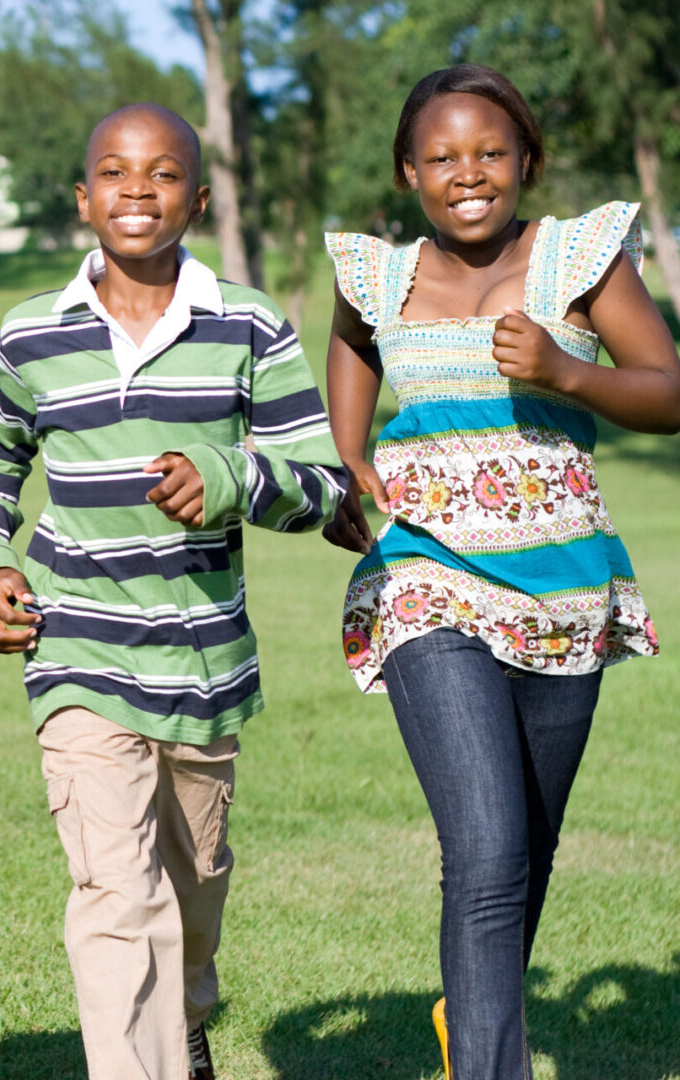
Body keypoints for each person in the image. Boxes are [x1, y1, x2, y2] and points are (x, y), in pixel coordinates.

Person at [0, 104, 347, 1080]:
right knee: (118, 901)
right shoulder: (32, 336)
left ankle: (187, 1019)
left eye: (162, 173)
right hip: (77, 651)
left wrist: (230, 475)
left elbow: (323, 484)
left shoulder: (249, 324)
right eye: (115, 174)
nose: (137, 190)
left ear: (197, 199)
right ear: (84, 199)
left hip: (203, 667)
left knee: (193, 888)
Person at [322, 64, 680, 1080]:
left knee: (527, 853)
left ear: (525, 160)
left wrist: (568, 372)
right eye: (442, 157)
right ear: (408, 171)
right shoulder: (378, 275)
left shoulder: (580, 260)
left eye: (489, 152)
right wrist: (351, 456)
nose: (466, 173)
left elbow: (668, 390)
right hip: (426, 581)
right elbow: (352, 342)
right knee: (485, 854)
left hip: (565, 591)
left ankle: (471, 1020)